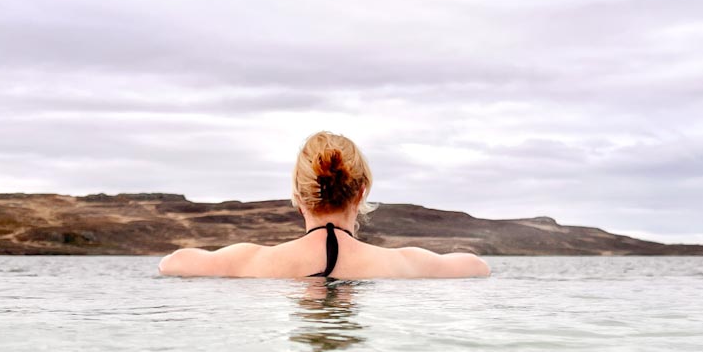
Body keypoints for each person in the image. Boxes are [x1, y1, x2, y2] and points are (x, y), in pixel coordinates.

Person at [158, 132, 491, 279]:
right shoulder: (405, 263)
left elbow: (173, 263)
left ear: (298, 196)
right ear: (362, 193)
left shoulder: (249, 260)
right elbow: (477, 266)